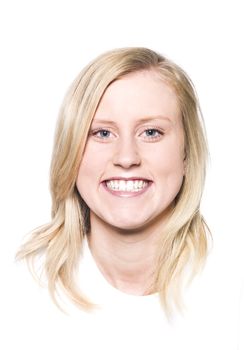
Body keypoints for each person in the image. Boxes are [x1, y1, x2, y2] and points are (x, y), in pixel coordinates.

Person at [15, 47, 222, 349]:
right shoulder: (18, 289)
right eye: (102, 133)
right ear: (71, 151)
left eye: (151, 132)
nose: (126, 157)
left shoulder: (231, 284)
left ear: (187, 154)